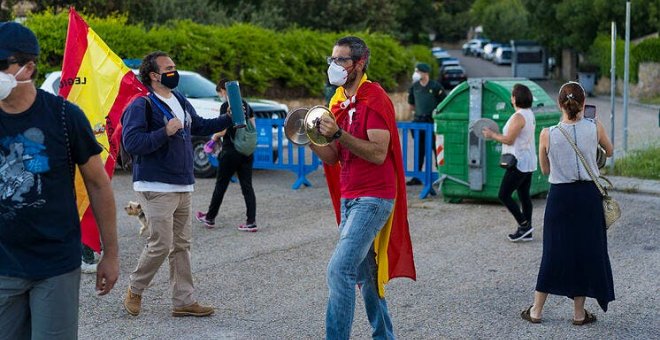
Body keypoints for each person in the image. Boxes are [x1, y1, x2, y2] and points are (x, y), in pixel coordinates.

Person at [0, 22, 119, 338]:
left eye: (2, 64)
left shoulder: (65, 117)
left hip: (55, 266)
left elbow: (97, 183)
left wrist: (111, 253)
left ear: (29, 67)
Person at [312, 36, 416, 339]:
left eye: (341, 60)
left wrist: (339, 133)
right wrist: (310, 139)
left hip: (374, 197)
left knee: (339, 269)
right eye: (332, 60)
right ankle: (385, 336)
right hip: (350, 196)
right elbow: (334, 158)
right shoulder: (337, 102)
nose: (335, 66)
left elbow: (378, 153)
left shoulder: (374, 98)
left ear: (359, 63)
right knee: (365, 274)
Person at [121, 51, 232, 317]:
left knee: (181, 245)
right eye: (169, 68)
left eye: (174, 67)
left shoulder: (179, 99)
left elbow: (199, 125)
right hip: (155, 185)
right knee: (160, 243)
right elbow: (132, 143)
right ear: (154, 75)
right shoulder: (142, 104)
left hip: (183, 185)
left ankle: (183, 301)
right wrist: (164, 131)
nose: (174, 71)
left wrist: (229, 118)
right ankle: (135, 289)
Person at [521, 81, 614, 325]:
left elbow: (544, 169)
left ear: (559, 105)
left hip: (560, 198)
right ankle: (578, 314)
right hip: (588, 198)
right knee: (583, 252)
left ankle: (536, 311)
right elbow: (610, 151)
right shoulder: (595, 127)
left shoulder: (546, 134)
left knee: (552, 252)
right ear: (583, 104)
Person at [195, 78, 257, 231]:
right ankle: (251, 222)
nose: (221, 96)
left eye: (220, 93)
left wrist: (214, 138)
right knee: (247, 187)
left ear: (224, 91)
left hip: (230, 151)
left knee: (221, 185)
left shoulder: (226, 106)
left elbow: (223, 129)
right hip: (246, 151)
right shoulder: (247, 105)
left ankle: (210, 218)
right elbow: (252, 127)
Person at [482, 84, 538, 242]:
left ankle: (524, 224)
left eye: (512, 95)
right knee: (524, 195)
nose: (511, 98)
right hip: (528, 161)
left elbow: (509, 139)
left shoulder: (519, 116)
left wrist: (492, 134)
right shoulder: (529, 114)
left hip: (518, 162)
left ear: (515, 98)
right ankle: (527, 231)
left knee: (504, 194)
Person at [406, 62, 445, 186]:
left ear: (425, 73)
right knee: (419, 149)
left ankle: (440, 176)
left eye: (418, 72)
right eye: (416, 72)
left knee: (436, 148)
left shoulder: (435, 86)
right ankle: (417, 176)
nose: (416, 74)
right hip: (419, 122)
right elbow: (411, 104)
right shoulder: (414, 87)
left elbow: (443, 103)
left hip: (432, 122)